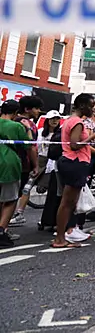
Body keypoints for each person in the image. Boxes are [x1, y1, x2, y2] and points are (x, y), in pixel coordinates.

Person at [53, 94, 95, 248]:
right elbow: (74, 145)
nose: (92, 110)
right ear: (81, 106)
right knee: (67, 202)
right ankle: (60, 238)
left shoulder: (70, 120)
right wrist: (91, 137)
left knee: (69, 202)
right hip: (75, 162)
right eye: (90, 106)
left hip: (72, 162)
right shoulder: (77, 122)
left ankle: (63, 236)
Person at [13, 110, 61, 223]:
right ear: (47, 120)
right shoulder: (40, 132)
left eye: (57, 118)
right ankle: (19, 213)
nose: (55, 121)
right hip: (40, 160)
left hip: (53, 162)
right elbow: (33, 147)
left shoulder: (60, 134)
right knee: (27, 187)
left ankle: (48, 218)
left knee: (52, 190)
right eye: (52, 118)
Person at [8, 96, 41, 226]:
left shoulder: (12, 121)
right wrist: (36, 165)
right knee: (14, 196)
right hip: (23, 163)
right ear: (27, 109)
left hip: (9, 161)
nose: (38, 111)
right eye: (36, 108)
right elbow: (31, 146)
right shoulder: (29, 125)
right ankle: (4, 228)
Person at [0, 101, 28, 247]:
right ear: (16, 113)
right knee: (10, 199)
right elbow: (27, 145)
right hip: (8, 162)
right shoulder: (16, 126)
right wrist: (28, 129)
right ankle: (1, 231)